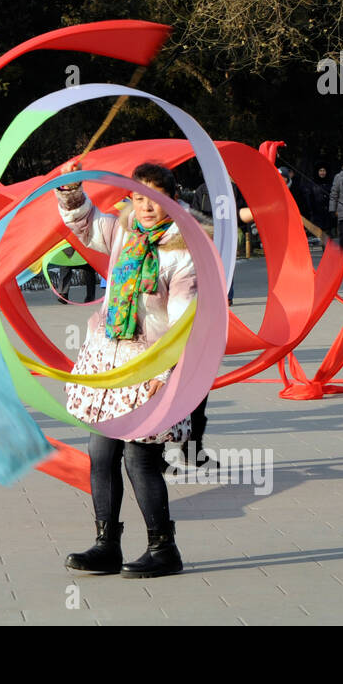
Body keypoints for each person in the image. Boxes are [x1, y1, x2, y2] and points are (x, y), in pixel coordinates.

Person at [56, 160, 203, 579]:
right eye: (137, 198)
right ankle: (106, 544)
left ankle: (163, 548)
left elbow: (181, 322)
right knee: (101, 453)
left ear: (171, 199)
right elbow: (86, 226)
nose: (144, 207)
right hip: (108, 358)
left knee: (140, 459)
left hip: (147, 365)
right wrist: (71, 190)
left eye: (153, 199)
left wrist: (163, 375)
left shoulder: (183, 251)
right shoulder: (124, 228)